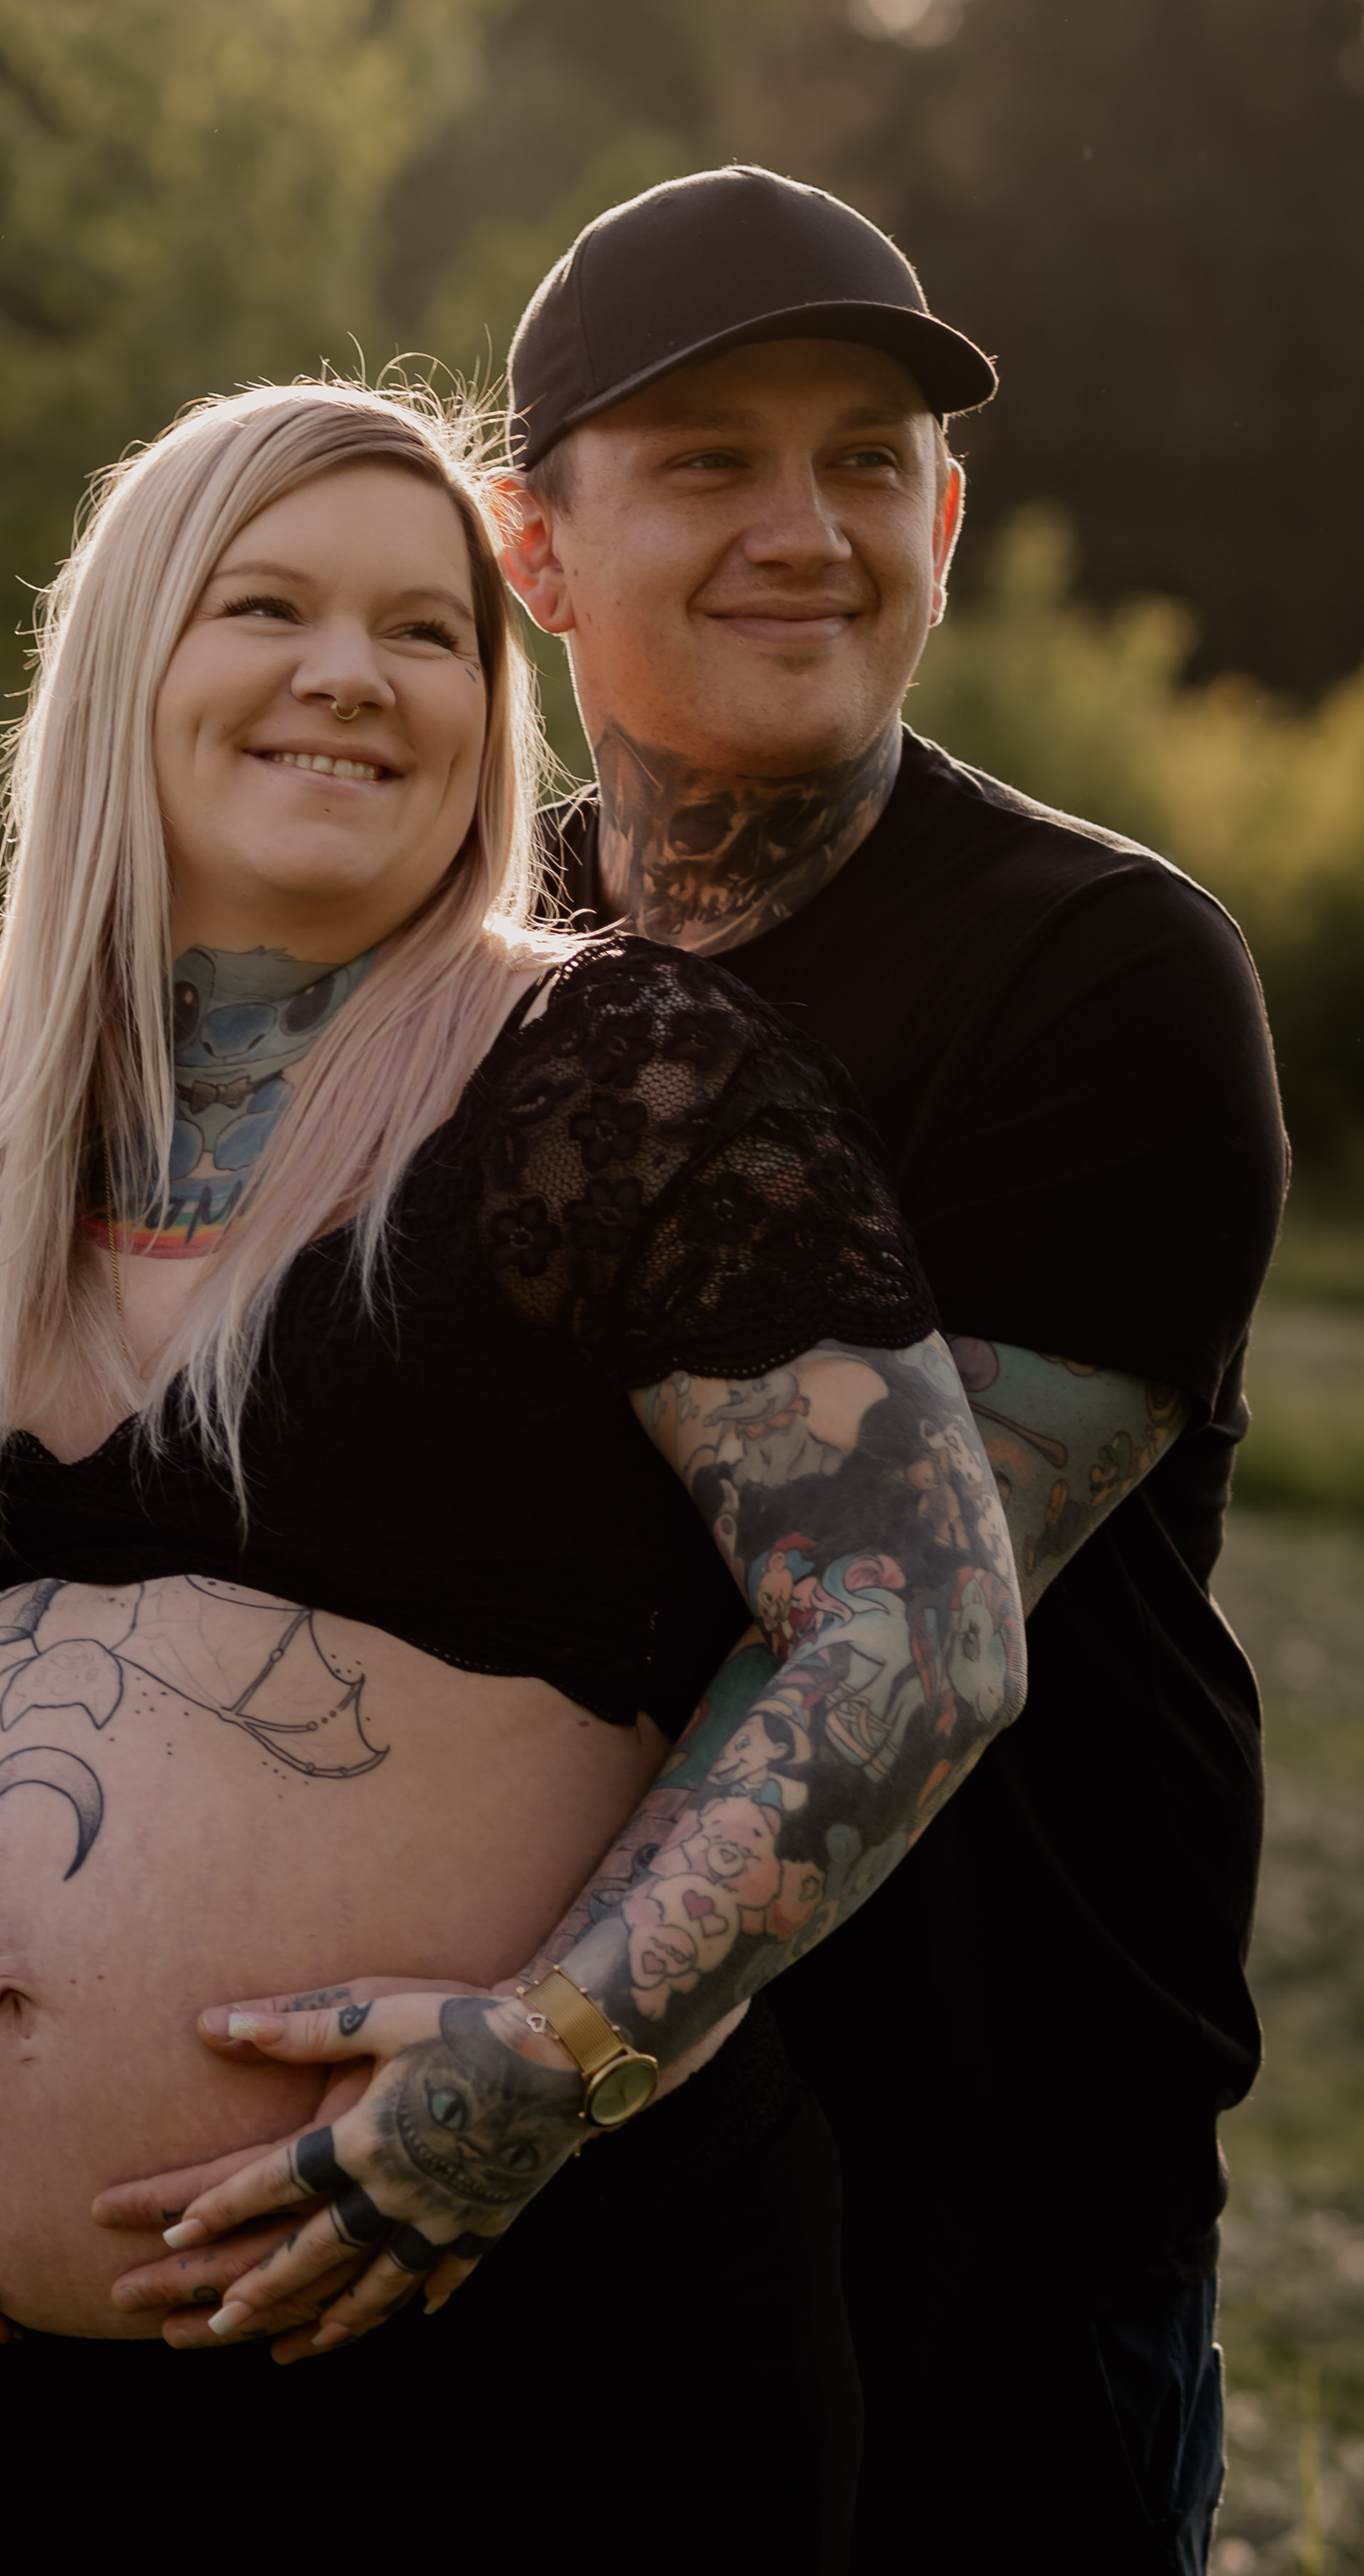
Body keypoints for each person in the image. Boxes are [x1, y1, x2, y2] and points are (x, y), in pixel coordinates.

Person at [0, 375, 1024, 2571]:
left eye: (424, 631)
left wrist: (546, 2062)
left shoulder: (624, 1081)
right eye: (268, 605)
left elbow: (915, 1633)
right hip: (26, 2389)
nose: (351, 674)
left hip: (533, 2333)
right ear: (125, 660)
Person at [108, 176, 1285, 2575]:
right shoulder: (454, 973)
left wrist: (517, 2065)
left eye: (864, 460)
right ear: (534, 555)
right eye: (710, 459)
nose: (806, 527)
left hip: (966, 2187)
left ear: (942, 523)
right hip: (551, 2232)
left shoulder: (1101, 979)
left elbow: (835, 1619)